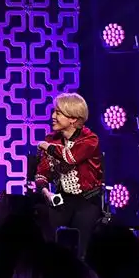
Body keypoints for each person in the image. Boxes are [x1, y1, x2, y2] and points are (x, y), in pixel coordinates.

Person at [33, 93, 104, 258]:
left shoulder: (90, 140)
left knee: (80, 249)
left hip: (87, 201)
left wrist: (46, 146)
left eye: (58, 113)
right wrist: (46, 192)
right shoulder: (52, 139)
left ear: (73, 119)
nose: (52, 116)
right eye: (54, 112)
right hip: (62, 199)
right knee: (51, 245)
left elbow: (70, 157)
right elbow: (42, 172)